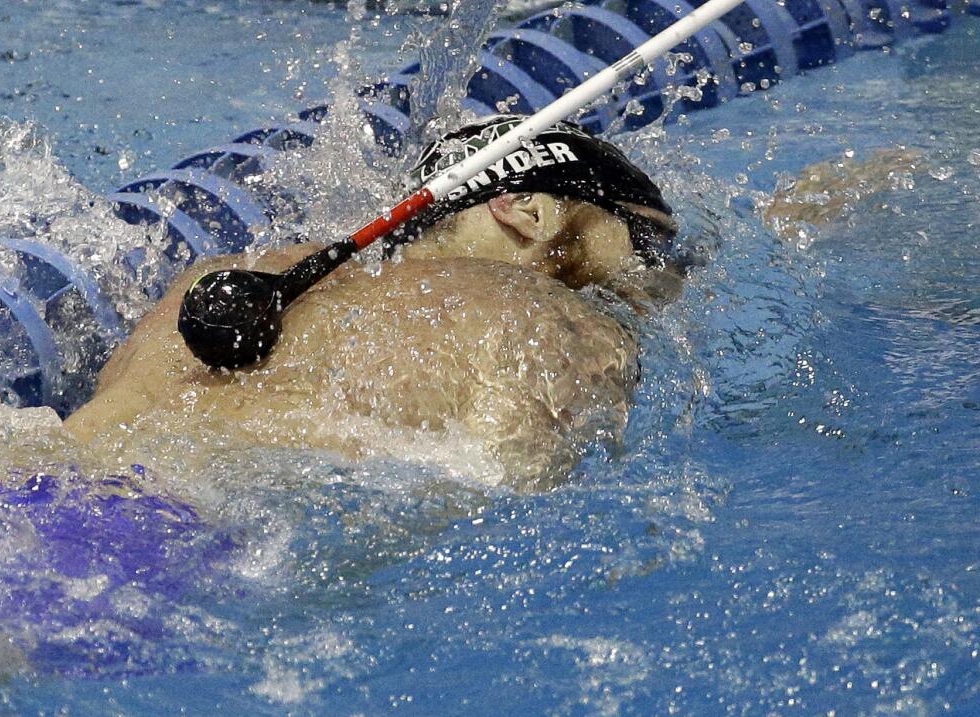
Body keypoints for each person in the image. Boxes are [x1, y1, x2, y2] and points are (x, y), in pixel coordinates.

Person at [64, 114, 680, 490]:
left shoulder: (233, 274)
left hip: (19, 483)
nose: (654, 268)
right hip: (182, 545)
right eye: (641, 236)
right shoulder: (546, 315)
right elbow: (521, 489)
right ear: (528, 211)